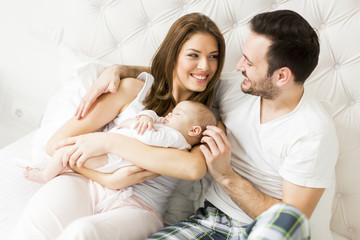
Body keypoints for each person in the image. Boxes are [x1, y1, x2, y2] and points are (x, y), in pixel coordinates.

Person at [70, 10, 338, 239]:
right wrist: (118, 69)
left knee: (288, 221)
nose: (238, 65)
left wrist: (226, 176)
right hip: (209, 222)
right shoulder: (239, 88)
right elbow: (182, 74)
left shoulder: (313, 133)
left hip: (264, 230)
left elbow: (292, 222)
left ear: (281, 76)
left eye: (249, 61)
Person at [12, 13, 226, 240]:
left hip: (140, 206)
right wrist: (107, 179)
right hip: (86, 183)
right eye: (194, 55)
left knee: (83, 233)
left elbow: (192, 169)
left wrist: (110, 142)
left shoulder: (207, 122)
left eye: (213, 56)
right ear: (173, 55)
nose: (205, 66)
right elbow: (55, 144)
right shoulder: (133, 90)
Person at [23, 100, 217, 185]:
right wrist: (146, 117)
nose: (169, 115)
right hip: (113, 156)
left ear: (194, 131)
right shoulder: (169, 128)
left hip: (114, 159)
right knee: (69, 153)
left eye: (177, 114)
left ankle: (46, 175)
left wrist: (135, 122)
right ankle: (59, 170)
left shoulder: (176, 138)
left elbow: (147, 136)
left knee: (66, 153)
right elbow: (152, 116)